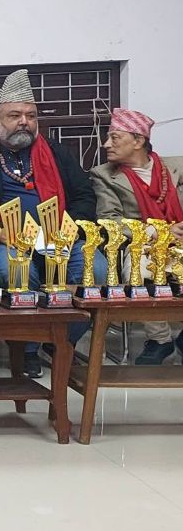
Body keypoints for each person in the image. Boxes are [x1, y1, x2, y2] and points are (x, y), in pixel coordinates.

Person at [0, 69, 105, 377]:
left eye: (31, 116)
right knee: (16, 271)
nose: (24, 122)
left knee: (98, 269)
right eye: (15, 115)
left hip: (60, 236)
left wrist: (67, 229)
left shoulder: (56, 153)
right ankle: (27, 349)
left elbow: (84, 196)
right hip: (8, 240)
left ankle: (62, 340)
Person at [90, 108, 183, 364]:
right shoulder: (104, 175)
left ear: (138, 140)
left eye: (115, 138)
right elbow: (109, 220)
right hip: (143, 243)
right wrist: (160, 231)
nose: (106, 144)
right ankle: (160, 339)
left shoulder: (176, 167)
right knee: (138, 269)